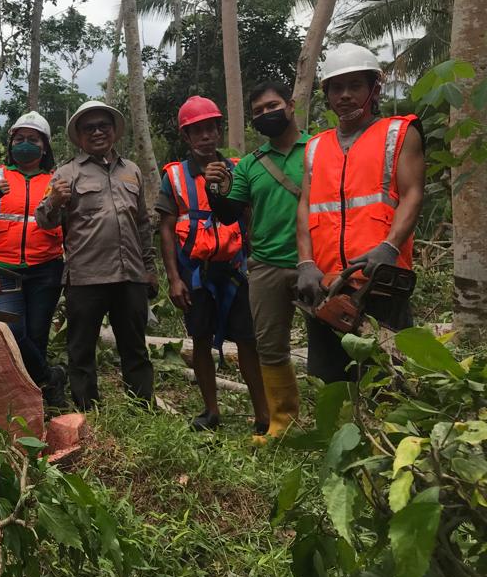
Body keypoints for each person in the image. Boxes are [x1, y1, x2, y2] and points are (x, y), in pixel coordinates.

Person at [297, 43, 425, 382]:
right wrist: (305, 263)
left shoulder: (399, 133)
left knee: (387, 383)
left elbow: (413, 193)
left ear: (374, 89)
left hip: (380, 284)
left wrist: (390, 247)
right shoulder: (315, 147)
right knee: (330, 381)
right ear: (327, 95)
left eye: (355, 85)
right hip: (327, 289)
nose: (345, 95)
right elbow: (305, 207)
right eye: (337, 87)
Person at [35, 101, 158, 411]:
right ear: (79, 135)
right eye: (89, 128)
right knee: (81, 349)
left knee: (135, 347)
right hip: (86, 277)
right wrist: (54, 201)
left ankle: (141, 407)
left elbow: (143, 224)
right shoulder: (66, 173)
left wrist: (149, 267)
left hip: (130, 274)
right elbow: (43, 221)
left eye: (103, 125)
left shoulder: (132, 171)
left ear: (114, 130)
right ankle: (87, 410)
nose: (97, 132)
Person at [157, 96, 269, 434]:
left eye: (210, 129)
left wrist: (257, 260)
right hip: (196, 273)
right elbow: (166, 228)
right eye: (197, 131)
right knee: (201, 339)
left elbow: (250, 216)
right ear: (186, 136)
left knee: (247, 341)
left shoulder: (238, 168)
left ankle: (263, 415)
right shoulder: (175, 176)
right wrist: (173, 279)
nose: (205, 136)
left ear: (219, 131)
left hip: (236, 270)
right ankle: (211, 411)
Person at [208, 83, 308, 437]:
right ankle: (282, 424)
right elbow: (228, 214)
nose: (266, 114)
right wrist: (214, 189)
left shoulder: (318, 149)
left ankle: (338, 423)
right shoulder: (251, 164)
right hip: (266, 265)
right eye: (258, 112)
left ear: (290, 105)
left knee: (330, 345)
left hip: (315, 262)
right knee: (270, 348)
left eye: (272, 106)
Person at [0, 111, 67, 406]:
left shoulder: (55, 180)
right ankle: (49, 377)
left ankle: (32, 396)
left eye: (33, 139)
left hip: (46, 268)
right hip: (3, 269)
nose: (25, 144)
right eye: (20, 138)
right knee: (11, 330)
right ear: (11, 143)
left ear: (44, 146)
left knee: (37, 334)